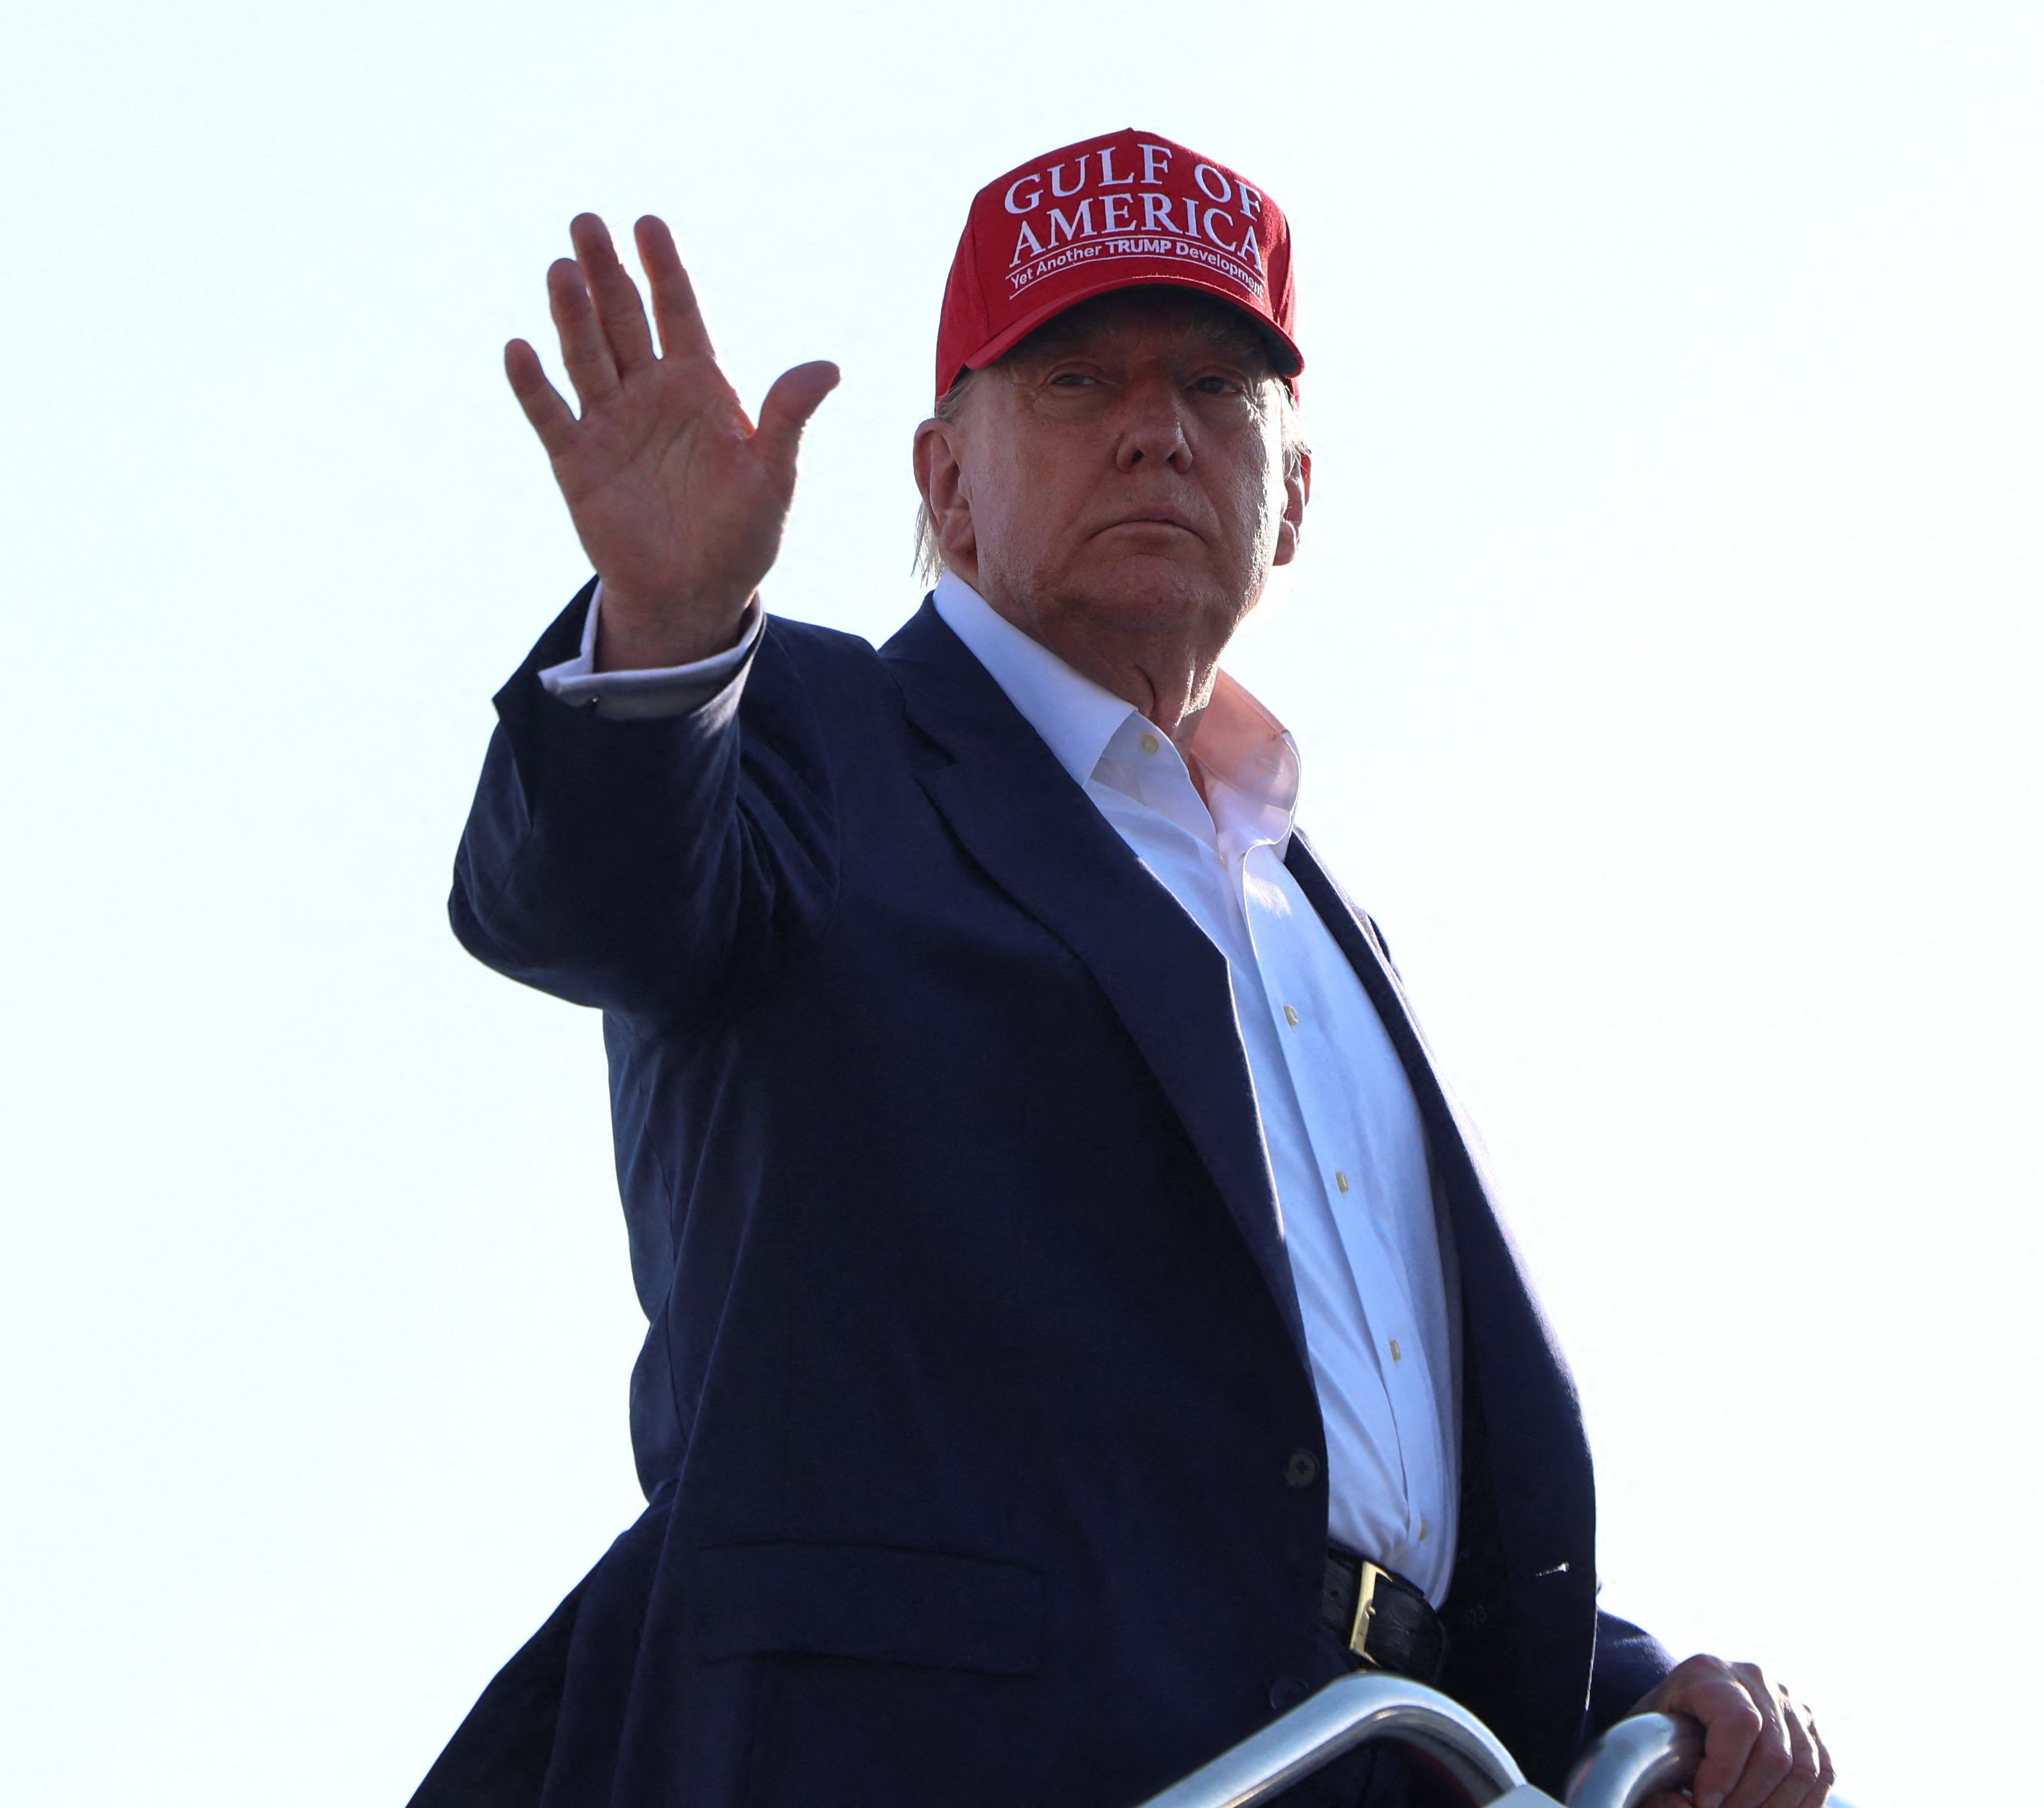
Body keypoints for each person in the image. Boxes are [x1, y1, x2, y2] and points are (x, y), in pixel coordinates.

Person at [416, 128, 1836, 1808]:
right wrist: (661, 631)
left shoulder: (1319, 927)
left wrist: (1624, 1691)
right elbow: (589, 893)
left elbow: (1321, 1487)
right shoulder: (800, 742)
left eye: (1220, 388)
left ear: (1291, 490)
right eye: (1077, 380)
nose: (1156, 429)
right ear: (942, 480)